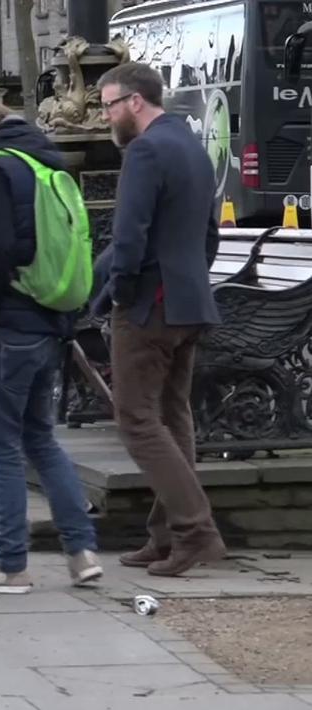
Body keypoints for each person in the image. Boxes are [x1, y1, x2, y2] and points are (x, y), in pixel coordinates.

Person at [0, 95, 102, 594]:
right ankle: (81, 552)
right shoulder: (44, 163)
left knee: (0, 448)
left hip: (5, 325)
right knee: (42, 441)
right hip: (47, 321)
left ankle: (9, 564)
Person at [98, 62, 227, 577]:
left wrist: (118, 295)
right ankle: (168, 533)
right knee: (174, 419)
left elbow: (128, 236)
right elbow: (210, 230)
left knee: (137, 420)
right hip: (189, 300)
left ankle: (195, 531)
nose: (104, 115)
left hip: (150, 304)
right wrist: (193, 277)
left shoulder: (145, 151)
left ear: (134, 101)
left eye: (108, 104)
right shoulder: (192, 146)